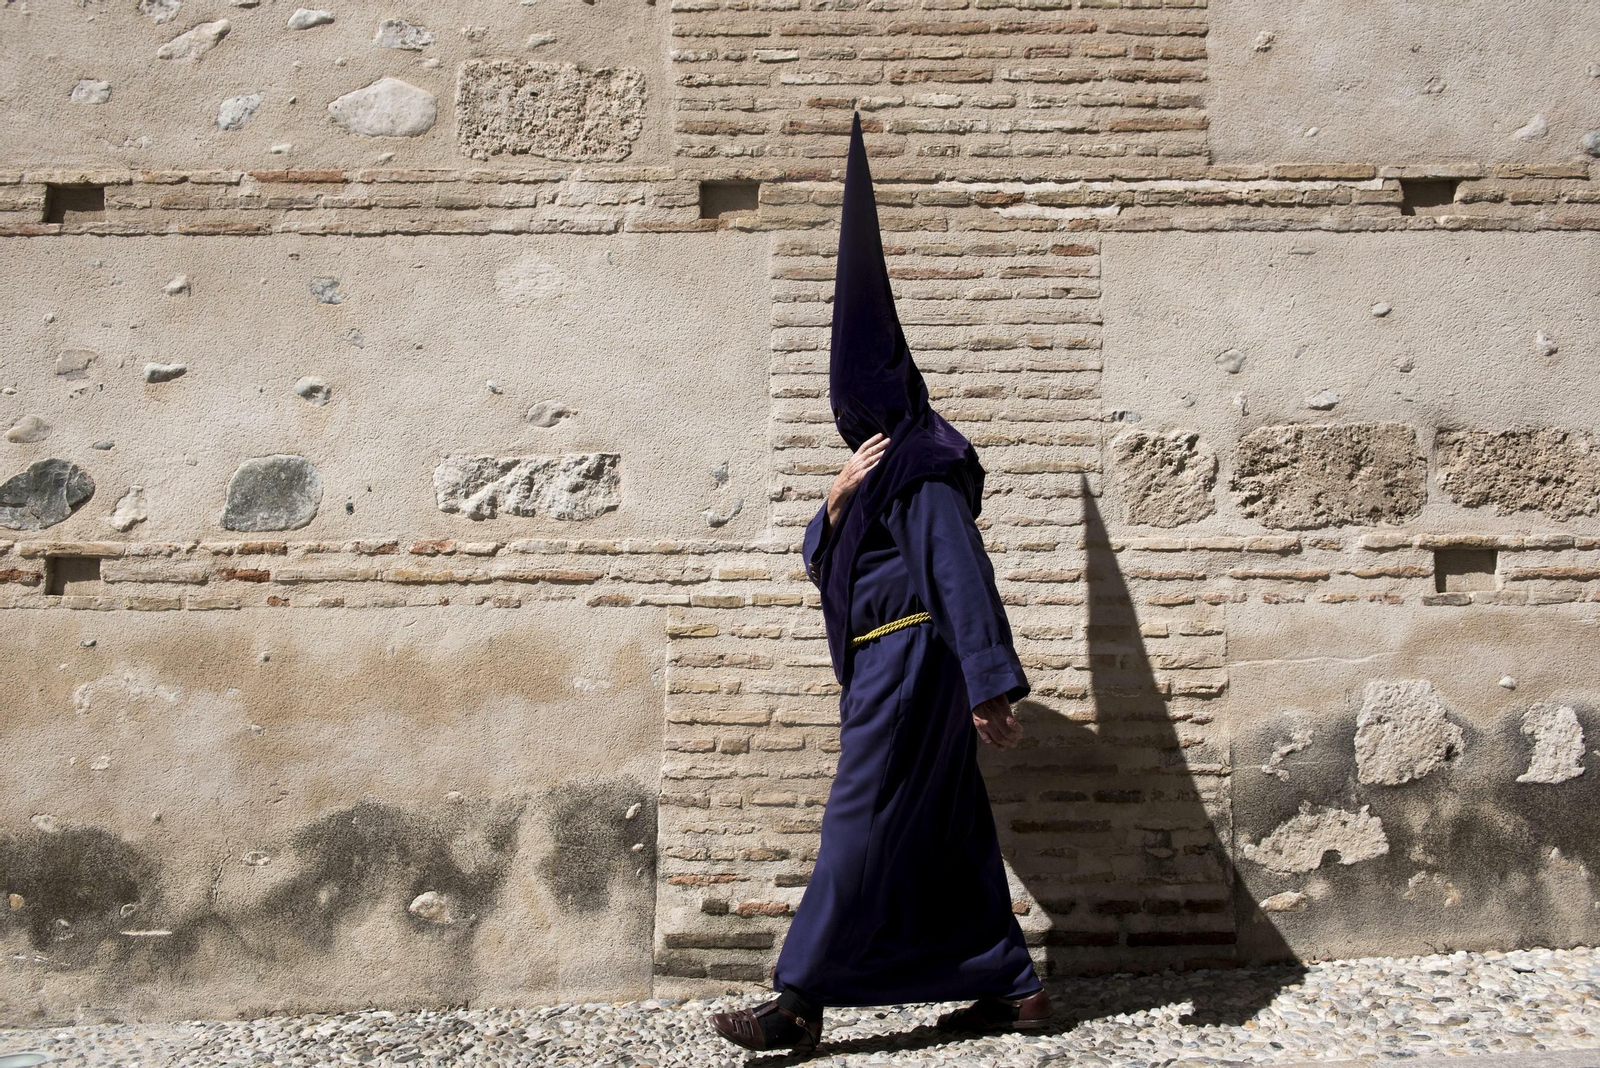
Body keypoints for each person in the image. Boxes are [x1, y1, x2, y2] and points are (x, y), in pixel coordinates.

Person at [709, 113, 1049, 1056]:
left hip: (911, 658)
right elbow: (831, 565)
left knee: (857, 815)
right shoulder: (874, 470)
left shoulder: (924, 462)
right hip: (884, 662)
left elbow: (956, 568)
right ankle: (1007, 984)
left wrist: (988, 682)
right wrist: (829, 503)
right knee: (947, 822)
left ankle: (798, 998)